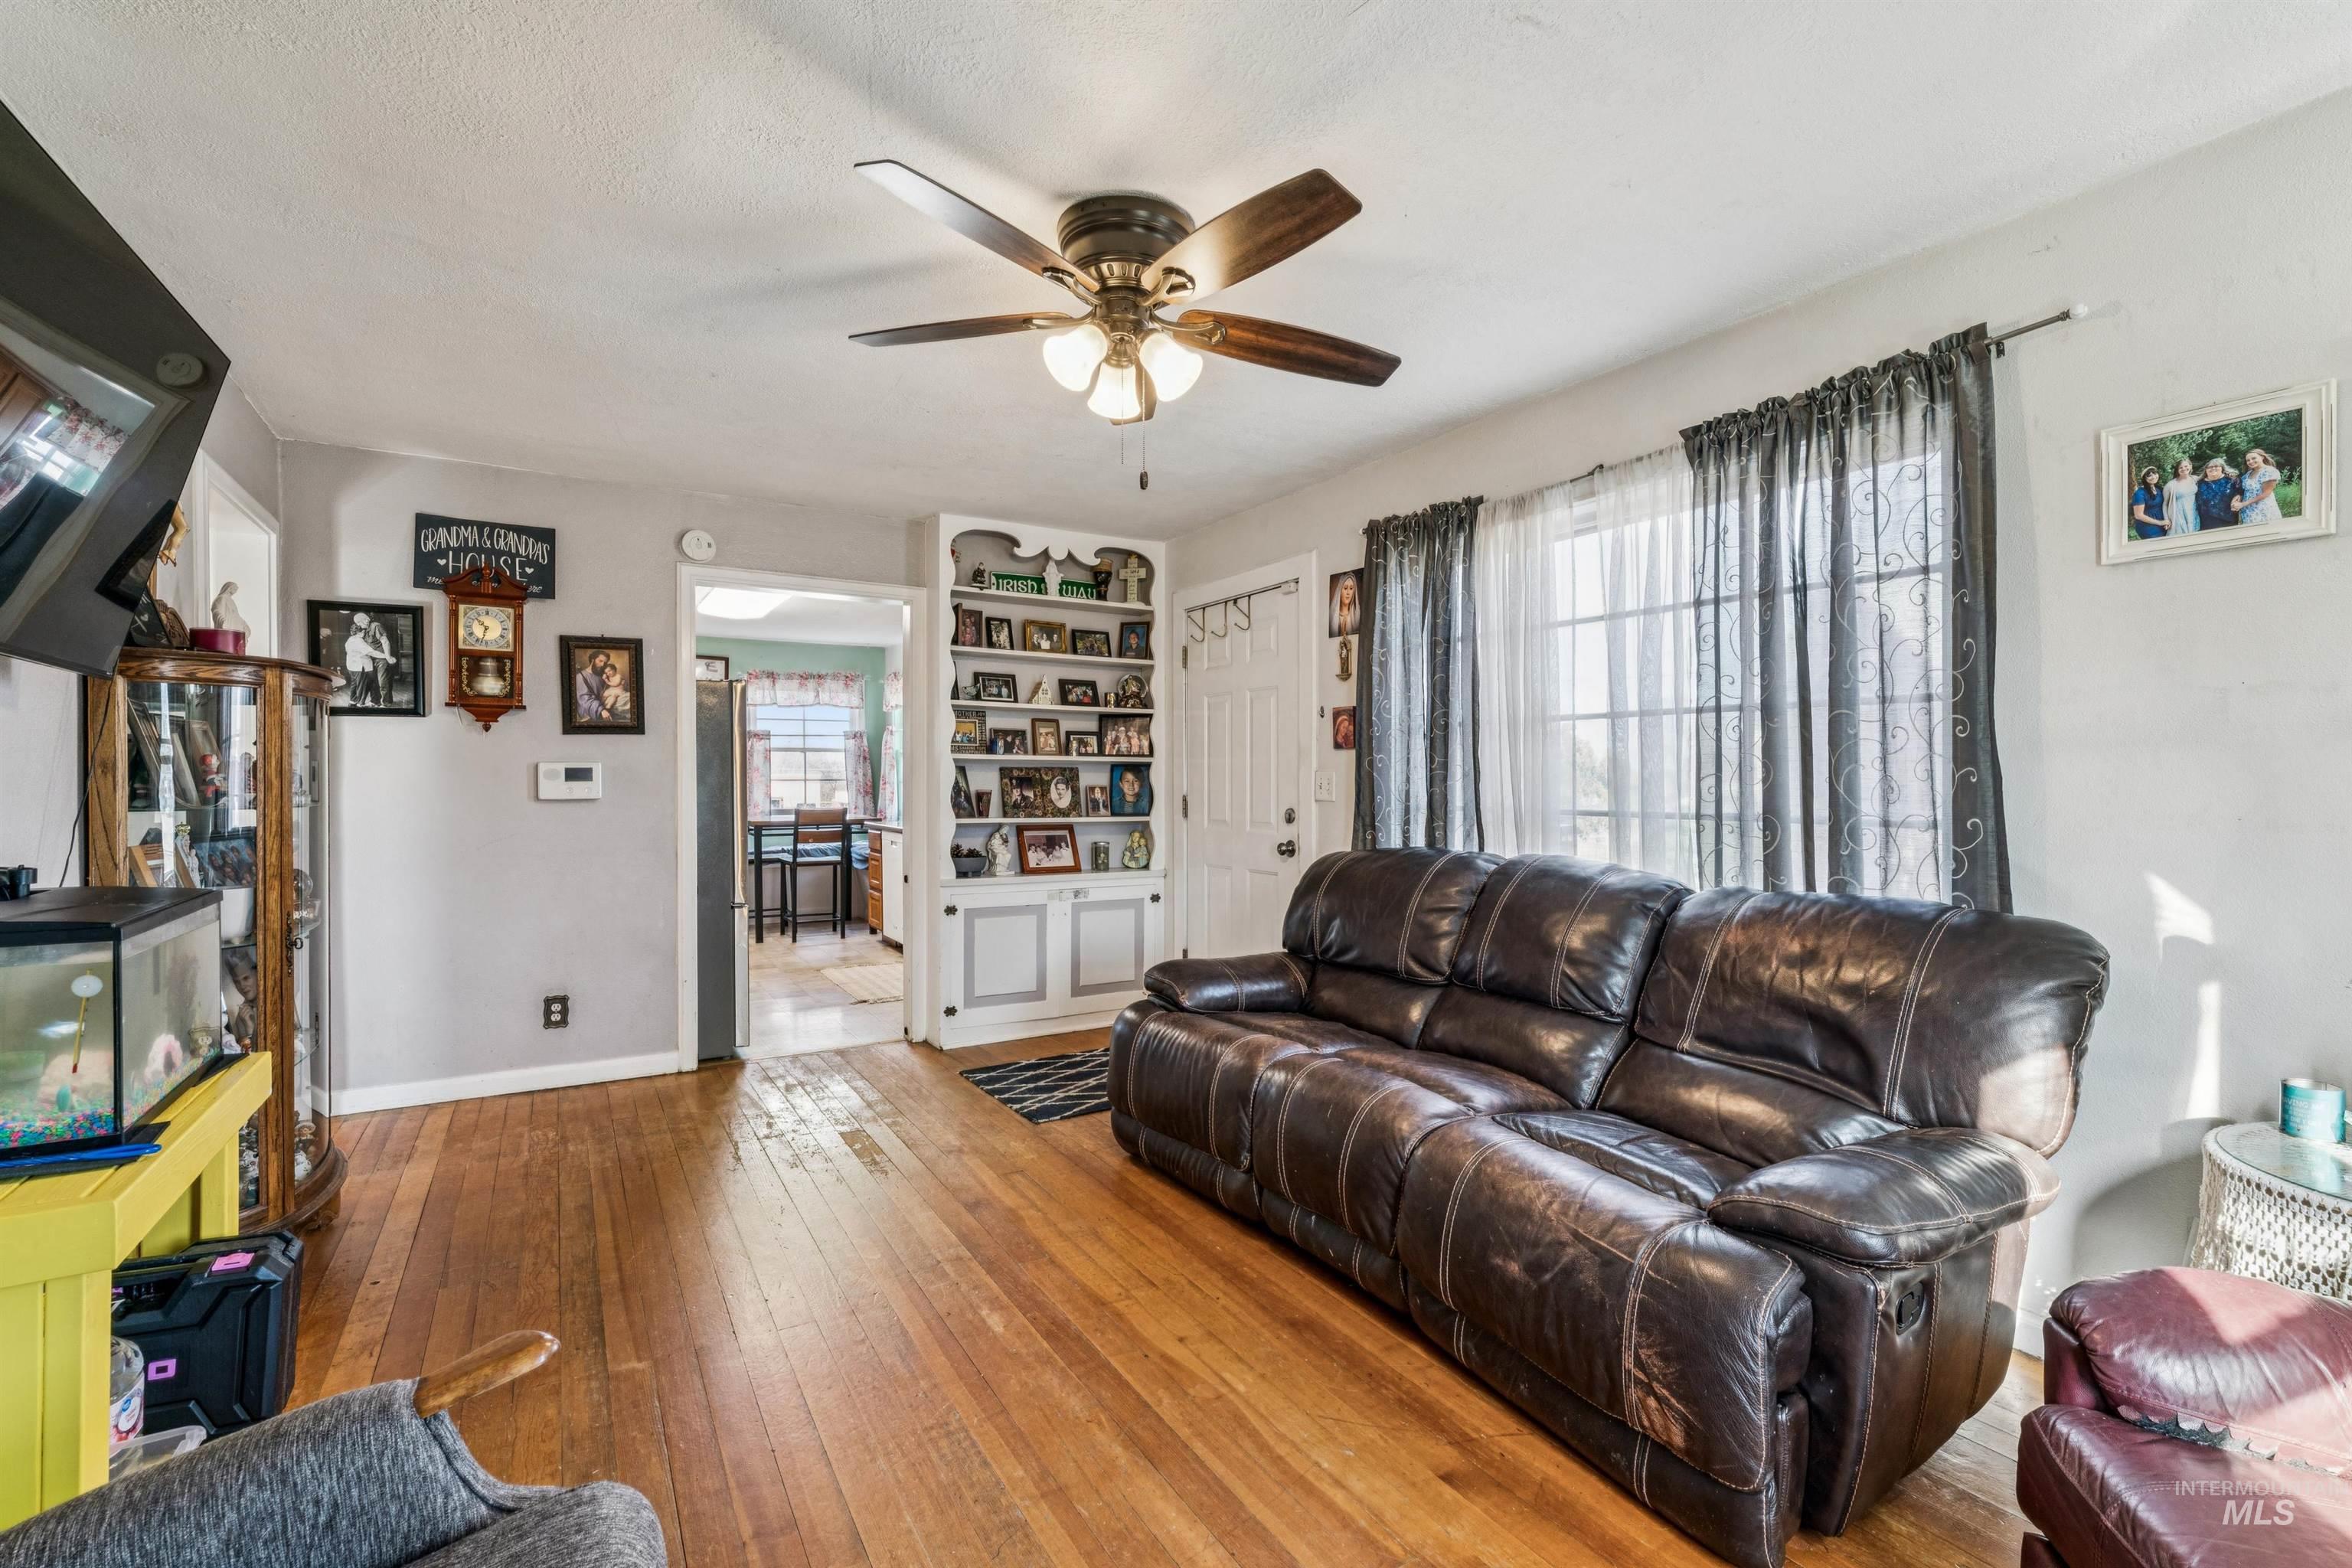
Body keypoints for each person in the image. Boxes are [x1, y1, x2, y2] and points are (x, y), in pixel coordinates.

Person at [2235, 448, 2284, 524]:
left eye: (2254, 458)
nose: (2251, 461)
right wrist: (2237, 499)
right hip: (2248, 511)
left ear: (2262, 457)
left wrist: (2243, 504)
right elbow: (2243, 491)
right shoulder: (2248, 474)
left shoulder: (2270, 471)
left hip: (2264, 510)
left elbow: (2266, 494)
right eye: (2248, 460)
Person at [343, 612, 382, 705]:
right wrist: (387, 656)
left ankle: (352, 701)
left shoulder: (350, 640)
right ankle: (361, 703)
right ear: (360, 632)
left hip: (352, 667)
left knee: (355, 685)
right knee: (363, 686)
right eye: (364, 632)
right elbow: (372, 652)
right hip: (361, 667)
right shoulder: (359, 641)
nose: (365, 633)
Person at [2195, 457, 2239, 531]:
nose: (2213, 468)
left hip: (2228, 520)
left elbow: (2240, 492)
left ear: (2222, 468)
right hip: (2206, 522)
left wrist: (2238, 498)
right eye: (2210, 467)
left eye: (2216, 466)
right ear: (2206, 470)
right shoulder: (2198, 483)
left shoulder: (2232, 480)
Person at [2161, 458, 2200, 536]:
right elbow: (2165, 504)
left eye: (2186, 466)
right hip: (2179, 517)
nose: (2184, 469)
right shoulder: (2170, 485)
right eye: (2181, 467)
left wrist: (2229, 474)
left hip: (2193, 514)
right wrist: (2166, 519)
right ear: (2177, 470)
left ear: (2190, 466)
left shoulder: (2195, 479)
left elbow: (2209, 477)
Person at [2128, 467, 2169, 540]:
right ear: (2144, 479)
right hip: (2149, 528)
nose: (2153, 477)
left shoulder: (2158, 489)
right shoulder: (2140, 494)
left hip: (2163, 525)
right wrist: (2160, 523)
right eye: (2149, 475)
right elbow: (2139, 515)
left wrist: (2166, 521)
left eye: (2155, 473)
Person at [573, 650, 609, 724]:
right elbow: (585, 699)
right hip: (589, 714)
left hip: (605, 709)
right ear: (593, 660)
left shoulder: (602, 677)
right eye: (600, 661)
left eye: (605, 663)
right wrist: (601, 710)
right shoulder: (581, 677)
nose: (603, 665)